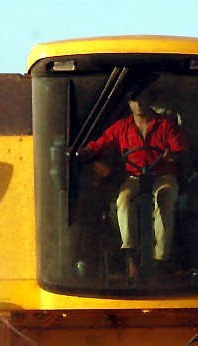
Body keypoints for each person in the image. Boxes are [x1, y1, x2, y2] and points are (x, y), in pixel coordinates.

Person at [79, 95, 190, 272]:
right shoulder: (121, 127)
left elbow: (181, 152)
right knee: (123, 200)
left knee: (164, 198)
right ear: (129, 103)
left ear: (148, 100)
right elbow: (101, 143)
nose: (138, 104)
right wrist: (85, 152)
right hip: (135, 177)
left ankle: (161, 259)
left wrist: (173, 156)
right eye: (134, 100)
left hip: (162, 176)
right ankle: (131, 254)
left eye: (142, 99)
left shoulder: (166, 125)